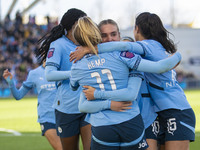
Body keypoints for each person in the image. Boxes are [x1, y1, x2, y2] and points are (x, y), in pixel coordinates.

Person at [73, 12, 196, 150]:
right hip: (150, 116)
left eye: (113, 34)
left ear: (133, 30)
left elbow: (155, 68)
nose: (110, 40)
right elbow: (82, 105)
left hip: (164, 113)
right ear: (98, 37)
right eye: (104, 36)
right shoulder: (95, 66)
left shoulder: (135, 52)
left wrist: (92, 49)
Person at [35, 8, 90, 150]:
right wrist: (73, 73)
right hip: (67, 108)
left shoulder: (88, 44)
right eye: (82, 23)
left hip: (89, 105)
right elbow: (50, 75)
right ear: (73, 26)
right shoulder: (58, 45)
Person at [3, 62, 62, 150]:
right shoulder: (34, 73)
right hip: (47, 118)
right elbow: (18, 95)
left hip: (65, 117)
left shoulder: (63, 70)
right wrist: (11, 82)